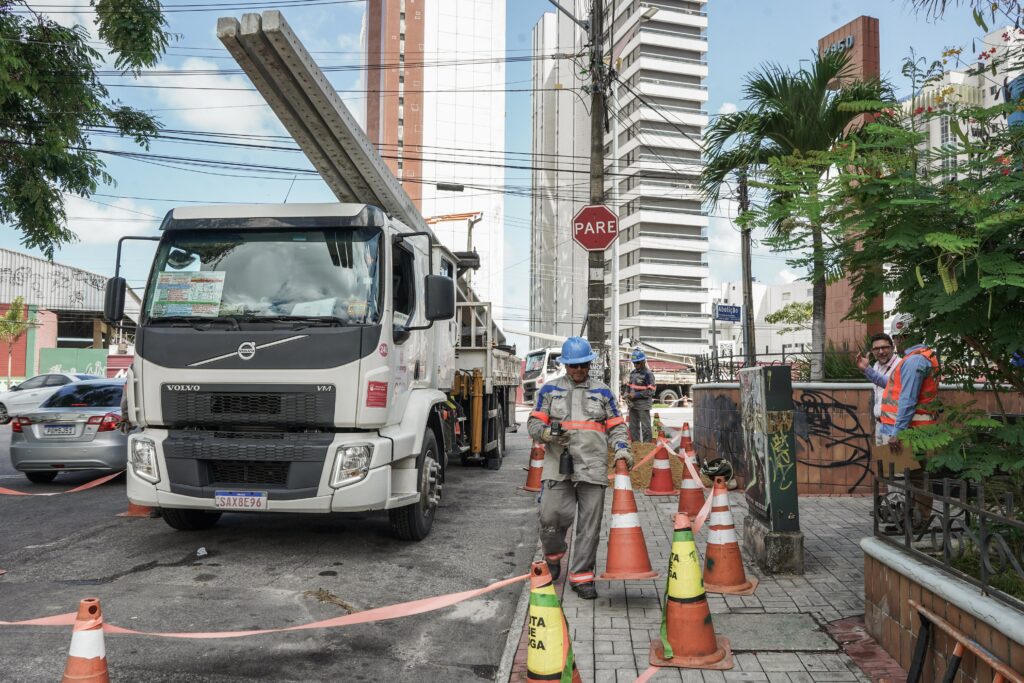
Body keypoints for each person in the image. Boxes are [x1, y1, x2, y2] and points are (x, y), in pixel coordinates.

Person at [527, 336, 631, 600]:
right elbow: (534, 425)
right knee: (550, 518)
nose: (579, 371)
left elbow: (617, 425)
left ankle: (582, 577)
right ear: (565, 365)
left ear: (589, 364)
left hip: (592, 468)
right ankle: (552, 556)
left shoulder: (603, 391)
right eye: (573, 366)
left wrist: (621, 448)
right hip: (558, 467)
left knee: (590, 526)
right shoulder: (549, 391)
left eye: (583, 365)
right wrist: (548, 434)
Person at [879, 314, 941, 529]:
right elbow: (894, 387)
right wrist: (868, 371)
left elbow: (907, 399)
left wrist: (897, 432)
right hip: (921, 427)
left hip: (909, 430)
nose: (895, 342)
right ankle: (916, 520)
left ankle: (912, 522)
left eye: (896, 338)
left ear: (901, 337)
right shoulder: (925, 356)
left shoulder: (913, 360)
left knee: (905, 478)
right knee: (917, 478)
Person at [856, 332, 902, 445]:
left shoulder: (901, 365)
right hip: (880, 424)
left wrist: (867, 370)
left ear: (892, 347)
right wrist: (868, 368)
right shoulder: (876, 366)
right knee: (883, 462)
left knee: (895, 461)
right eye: (876, 349)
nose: (881, 352)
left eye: (884, 347)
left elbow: (890, 384)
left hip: (894, 426)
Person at [625, 348, 657, 442]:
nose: (636, 365)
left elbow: (651, 391)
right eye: (634, 363)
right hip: (633, 405)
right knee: (633, 427)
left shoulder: (648, 374)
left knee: (645, 427)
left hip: (643, 405)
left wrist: (636, 395)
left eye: (638, 362)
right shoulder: (633, 373)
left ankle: (647, 446)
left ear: (643, 361)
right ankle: (636, 445)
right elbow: (629, 385)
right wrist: (626, 393)